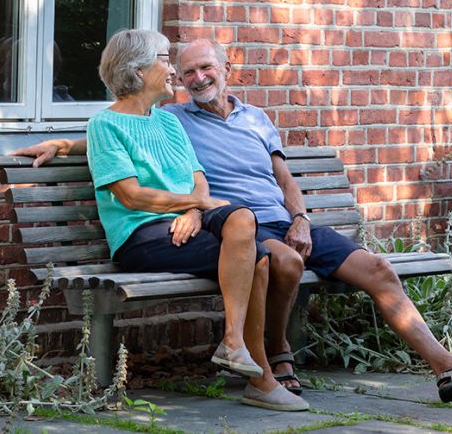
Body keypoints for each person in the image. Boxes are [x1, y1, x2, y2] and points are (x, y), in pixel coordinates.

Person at [13, 38, 452, 403]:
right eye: (185, 72)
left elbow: (285, 176)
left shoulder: (255, 118)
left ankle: (448, 367)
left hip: (280, 218)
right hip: (237, 226)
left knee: (379, 271)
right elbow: (118, 129)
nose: (195, 78)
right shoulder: (177, 115)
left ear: (226, 67)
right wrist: (63, 143)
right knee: (276, 261)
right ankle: (275, 357)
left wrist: (300, 216)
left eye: (204, 67)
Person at [76, 29, 307, 411]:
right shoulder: (106, 125)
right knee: (259, 256)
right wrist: (192, 204)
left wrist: (192, 210)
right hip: (140, 234)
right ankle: (260, 379)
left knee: (246, 226)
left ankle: (234, 344)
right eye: (165, 60)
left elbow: (197, 178)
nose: (173, 70)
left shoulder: (167, 122)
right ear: (137, 70)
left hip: (184, 224)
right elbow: (131, 196)